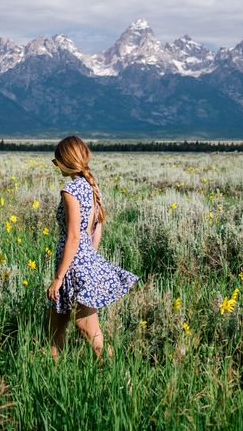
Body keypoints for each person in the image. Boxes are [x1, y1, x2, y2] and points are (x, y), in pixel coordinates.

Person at [46, 134, 139, 362]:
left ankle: (116, 376)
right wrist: (90, 260)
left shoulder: (71, 191)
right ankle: (51, 377)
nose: (55, 164)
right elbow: (96, 230)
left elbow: (74, 237)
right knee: (53, 331)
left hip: (72, 268)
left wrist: (59, 277)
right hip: (83, 263)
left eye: (57, 159)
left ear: (66, 160)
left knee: (88, 332)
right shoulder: (91, 186)